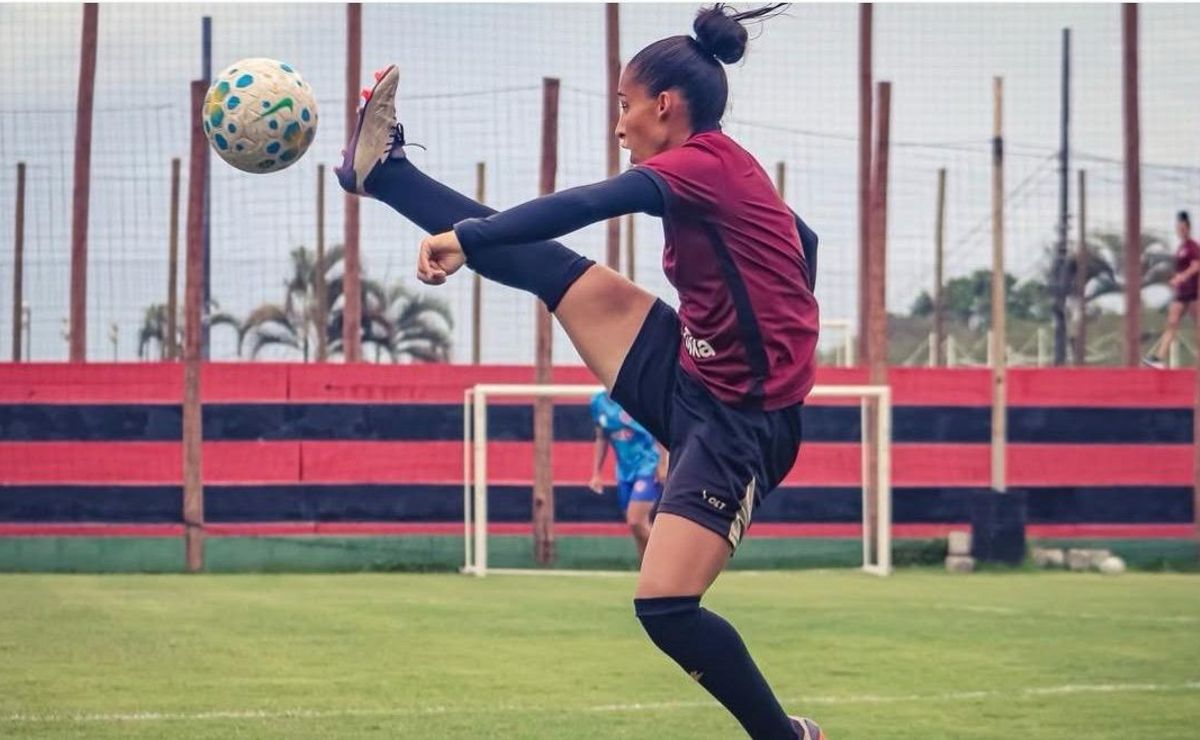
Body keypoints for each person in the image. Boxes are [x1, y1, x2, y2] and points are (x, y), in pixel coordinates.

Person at [336, 4, 822, 737]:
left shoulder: (700, 166)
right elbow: (803, 238)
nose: (621, 124)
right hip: (692, 370)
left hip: (741, 425)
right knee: (557, 275)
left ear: (665, 106)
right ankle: (384, 174)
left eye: (626, 107)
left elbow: (588, 203)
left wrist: (467, 239)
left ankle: (785, 737)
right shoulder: (728, 171)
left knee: (664, 608)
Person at [588, 391, 667, 561]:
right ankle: (647, 576)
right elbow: (601, 437)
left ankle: (669, 563)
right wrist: (596, 473)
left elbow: (659, 430)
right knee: (638, 529)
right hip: (624, 472)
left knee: (636, 520)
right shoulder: (597, 402)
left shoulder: (633, 396)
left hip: (648, 466)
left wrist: (662, 463)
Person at [1144, 211, 1200, 369]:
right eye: (1178, 228)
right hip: (1181, 293)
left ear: (1188, 228)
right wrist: (1175, 279)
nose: (1180, 231)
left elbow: (1196, 265)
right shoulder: (1181, 247)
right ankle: (1158, 358)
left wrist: (1182, 276)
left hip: (1194, 292)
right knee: (1172, 323)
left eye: (1183, 228)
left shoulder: (1192, 246)